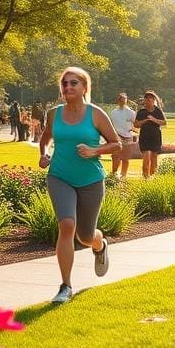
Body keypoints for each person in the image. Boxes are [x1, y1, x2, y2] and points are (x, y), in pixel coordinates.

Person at [38, 67, 120, 304]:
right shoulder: (54, 114)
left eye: (74, 83)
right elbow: (45, 138)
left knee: (85, 235)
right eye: (64, 84)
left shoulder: (95, 114)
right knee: (66, 225)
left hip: (91, 180)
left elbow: (116, 144)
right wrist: (44, 154)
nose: (68, 87)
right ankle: (66, 286)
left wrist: (95, 150)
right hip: (59, 176)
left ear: (84, 87)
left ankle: (99, 243)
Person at [134, 91, 166, 178]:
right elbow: (136, 124)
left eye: (150, 99)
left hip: (155, 136)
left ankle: (153, 177)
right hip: (144, 136)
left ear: (153, 100)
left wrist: (153, 119)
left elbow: (164, 122)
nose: (147, 101)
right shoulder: (141, 112)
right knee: (146, 157)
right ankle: (145, 177)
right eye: (146, 99)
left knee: (154, 156)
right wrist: (145, 120)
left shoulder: (158, 111)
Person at [108, 93, 137, 179]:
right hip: (116, 136)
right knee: (115, 156)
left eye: (124, 100)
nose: (122, 101)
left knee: (125, 158)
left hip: (128, 137)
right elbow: (111, 125)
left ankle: (123, 176)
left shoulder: (131, 112)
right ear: (118, 101)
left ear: (126, 101)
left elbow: (135, 123)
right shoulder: (113, 112)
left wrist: (132, 129)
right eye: (121, 100)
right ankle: (113, 174)